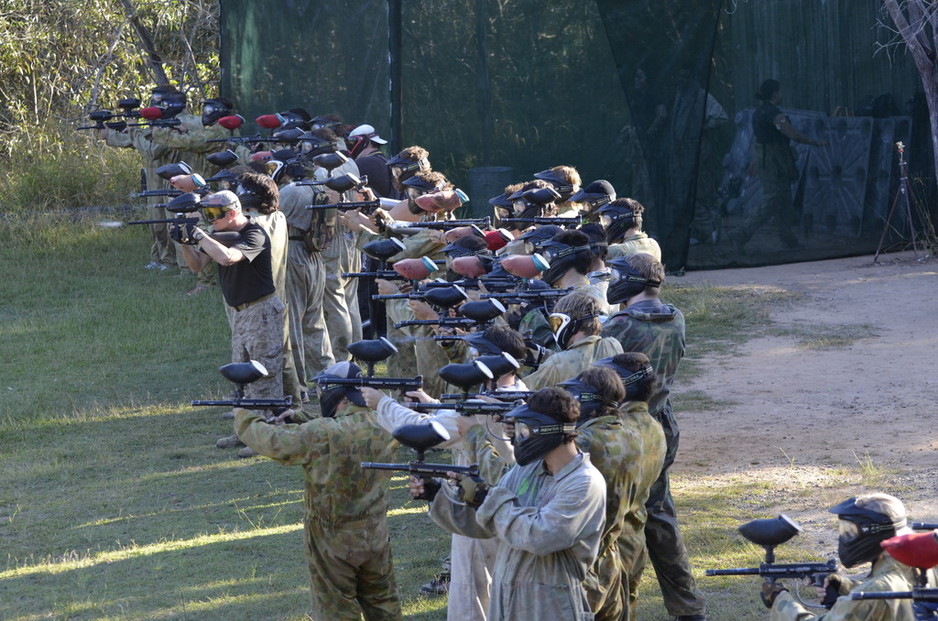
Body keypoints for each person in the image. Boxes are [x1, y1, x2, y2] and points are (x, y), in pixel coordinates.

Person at [410, 387, 606, 620]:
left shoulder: (584, 483)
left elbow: (539, 536)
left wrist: (486, 499)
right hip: (506, 597)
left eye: (524, 429)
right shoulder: (526, 470)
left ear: (545, 429)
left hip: (552, 605)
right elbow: (490, 523)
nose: (517, 437)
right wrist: (437, 495)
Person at [234, 361, 403, 620]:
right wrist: (300, 417)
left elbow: (275, 443)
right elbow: (343, 434)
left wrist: (244, 416)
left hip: (332, 539)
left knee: (335, 610)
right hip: (375, 534)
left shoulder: (323, 433)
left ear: (337, 394)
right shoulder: (386, 423)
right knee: (384, 606)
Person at [600, 252, 707, 621]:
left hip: (628, 427)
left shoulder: (620, 326)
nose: (613, 281)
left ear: (632, 281)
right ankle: (687, 607)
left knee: (621, 520)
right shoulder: (675, 317)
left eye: (618, 275)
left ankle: (617, 605)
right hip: (662, 423)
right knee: (660, 514)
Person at [175, 190, 286, 450]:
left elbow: (228, 257)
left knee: (265, 375)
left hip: (261, 311)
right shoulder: (218, 235)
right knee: (242, 378)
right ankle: (245, 432)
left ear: (233, 212)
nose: (209, 219)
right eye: (207, 213)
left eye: (214, 214)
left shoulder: (254, 234)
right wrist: (183, 242)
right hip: (240, 313)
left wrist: (199, 235)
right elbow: (197, 266)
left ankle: (268, 436)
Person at [763, 493, 920, 621]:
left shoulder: (875, 591)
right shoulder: (920, 565)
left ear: (873, 533)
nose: (845, 537)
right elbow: (887, 592)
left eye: (851, 531)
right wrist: (845, 586)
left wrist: (779, 598)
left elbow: (877, 592)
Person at [734, 79, 827, 251]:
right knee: (773, 199)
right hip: (774, 162)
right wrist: (815, 142)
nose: (781, 95)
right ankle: (742, 234)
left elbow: (760, 138)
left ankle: (787, 238)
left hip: (768, 160)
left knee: (784, 200)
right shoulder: (773, 114)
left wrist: (756, 160)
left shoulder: (759, 112)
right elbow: (794, 135)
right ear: (775, 93)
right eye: (779, 92)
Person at [522, 291, 622, 390]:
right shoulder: (612, 345)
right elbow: (582, 356)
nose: (555, 328)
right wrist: (544, 355)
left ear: (571, 325)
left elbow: (521, 389)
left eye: (557, 323)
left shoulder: (556, 364)